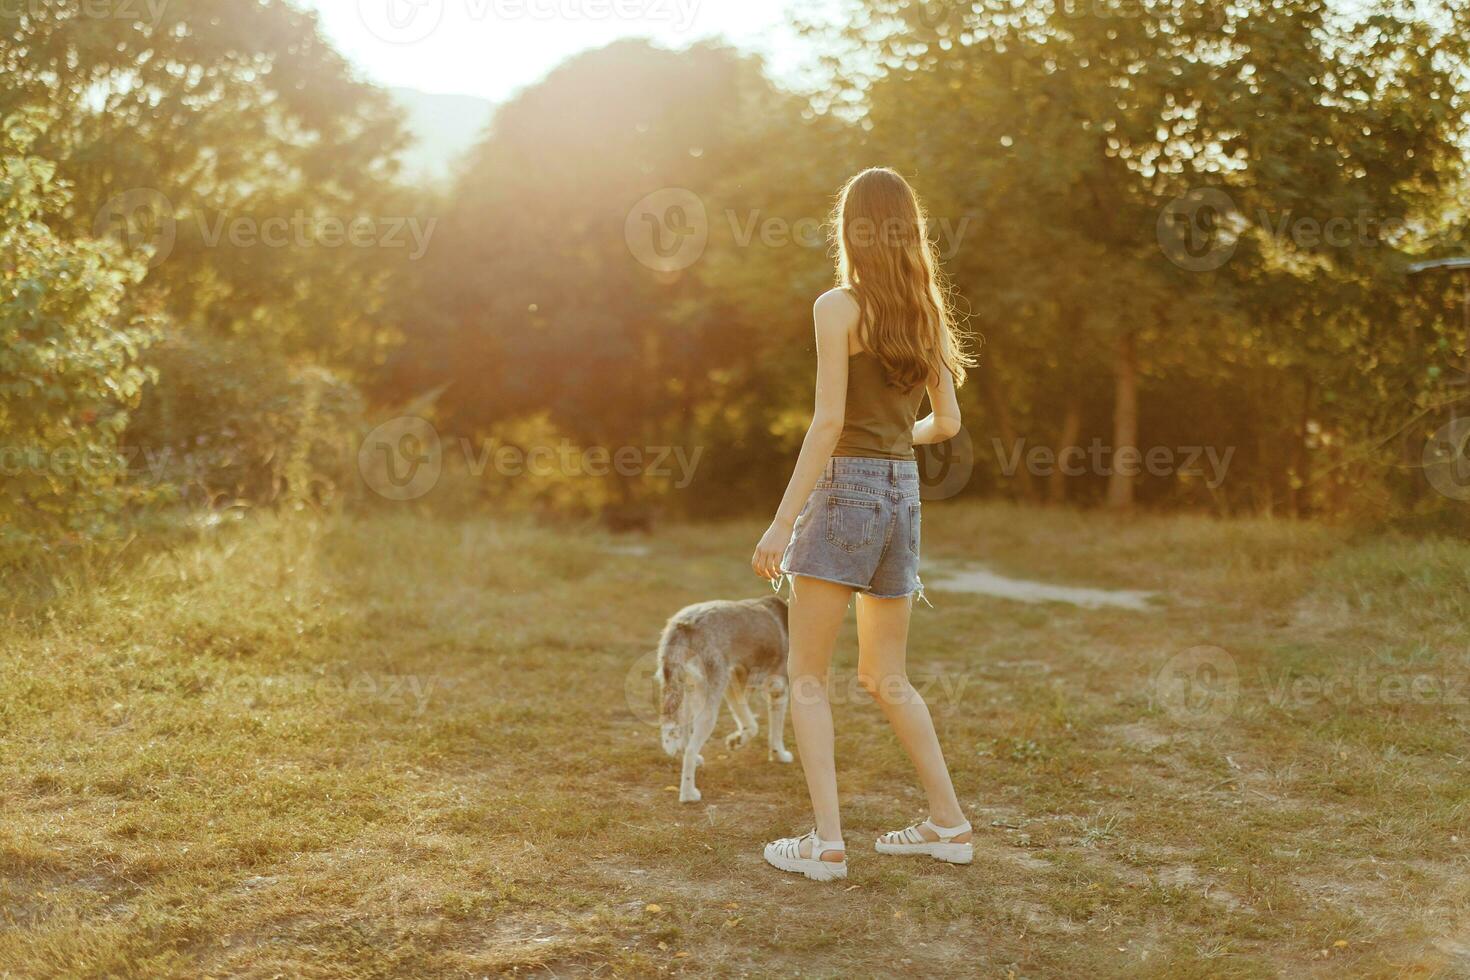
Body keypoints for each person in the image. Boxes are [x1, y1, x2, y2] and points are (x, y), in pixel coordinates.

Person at [750, 167, 977, 881]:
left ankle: (826, 845)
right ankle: (950, 826)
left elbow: (827, 423)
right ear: (910, 229)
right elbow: (947, 422)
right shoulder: (926, 314)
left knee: (807, 675)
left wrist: (782, 522)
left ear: (850, 227)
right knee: (887, 676)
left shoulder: (838, 307)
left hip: (847, 487)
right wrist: (892, 444)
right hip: (901, 491)